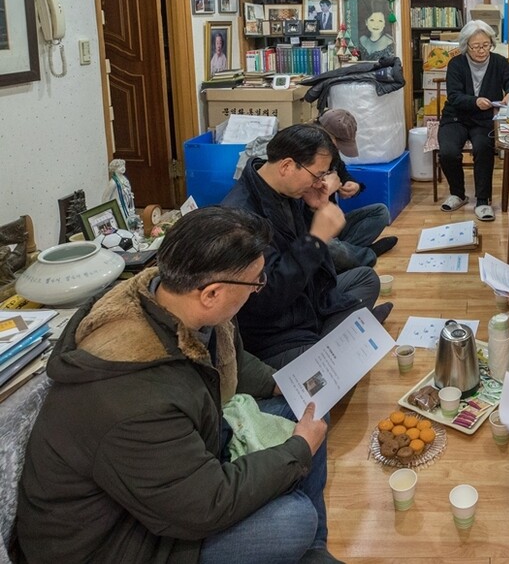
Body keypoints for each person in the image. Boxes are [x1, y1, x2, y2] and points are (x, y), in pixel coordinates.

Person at [16, 207, 342, 564]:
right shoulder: (133, 400)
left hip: (168, 484)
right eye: (256, 282)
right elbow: (204, 506)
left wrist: (279, 384)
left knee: (307, 403)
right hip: (117, 543)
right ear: (212, 294)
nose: (258, 290)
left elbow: (224, 361)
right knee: (293, 519)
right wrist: (298, 450)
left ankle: (312, 553)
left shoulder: (173, 300)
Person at [221, 124, 388, 369]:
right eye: (317, 175)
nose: (319, 182)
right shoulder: (239, 217)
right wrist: (316, 240)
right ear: (287, 166)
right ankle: (342, 341)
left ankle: (340, 340)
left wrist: (316, 208)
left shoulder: (289, 190)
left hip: (308, 304)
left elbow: (317, 270)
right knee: (328, 374)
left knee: (366, 278)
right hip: (277, 334)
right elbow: (270, 296)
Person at [437, 20, 509, 221]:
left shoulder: (499, 62)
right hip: (456, 117)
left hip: (484, 119)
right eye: (476, 46)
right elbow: (454, 96)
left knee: (483, 148)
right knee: (448, 152)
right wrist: (476, 102)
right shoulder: (456, 64)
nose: (481, 50)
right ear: (466, 45)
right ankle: (458, 194)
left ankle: (483, 201)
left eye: (486, 45)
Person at [316, 108, 398, 271]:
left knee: (381, 212)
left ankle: (349, 256)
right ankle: (366, 254)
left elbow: (343, 174)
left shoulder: (331, 153)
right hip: (315, 231)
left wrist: (355, 186)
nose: (338, 150)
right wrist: (324, 192)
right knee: (330, 247)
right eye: (337, 144)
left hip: (334, 224)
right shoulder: (306, 156)